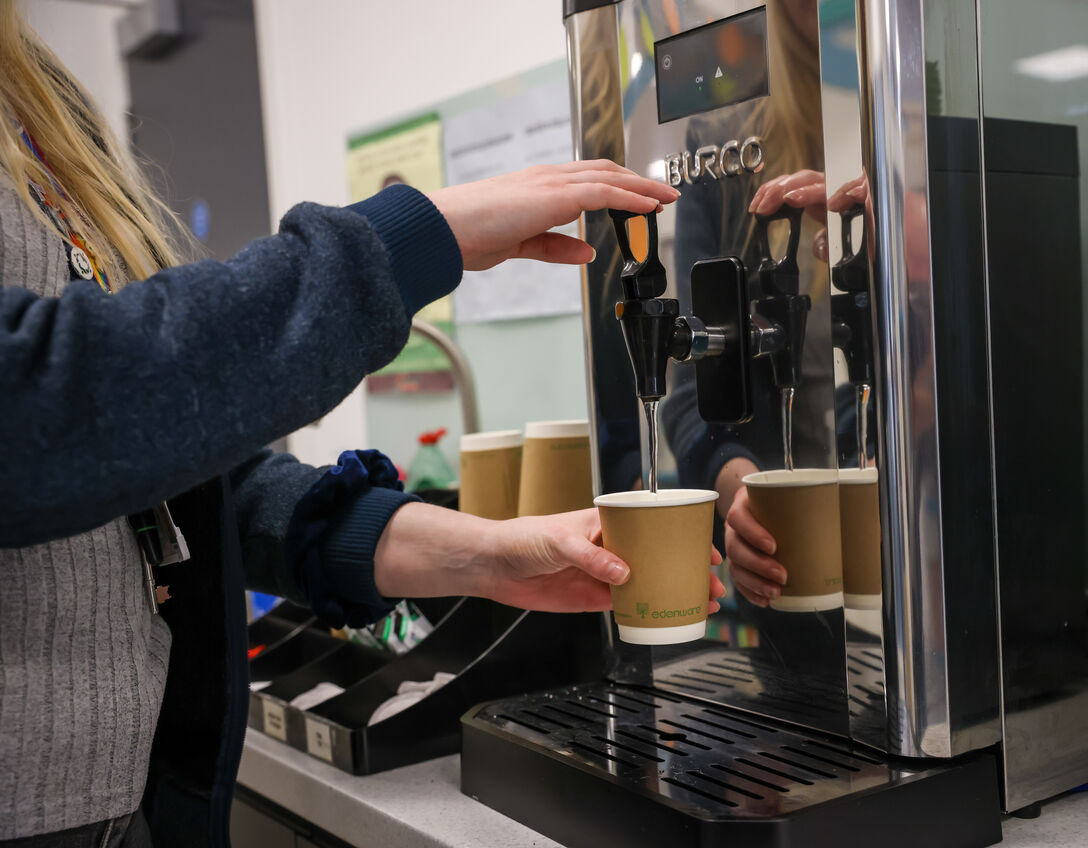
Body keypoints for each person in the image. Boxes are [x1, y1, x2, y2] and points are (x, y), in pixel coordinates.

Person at [0, 7, 725, 846]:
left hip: (136, 807)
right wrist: (405, 243)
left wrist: (485, 555)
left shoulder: (37, 92)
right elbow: (32, 416)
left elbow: (167, 486)